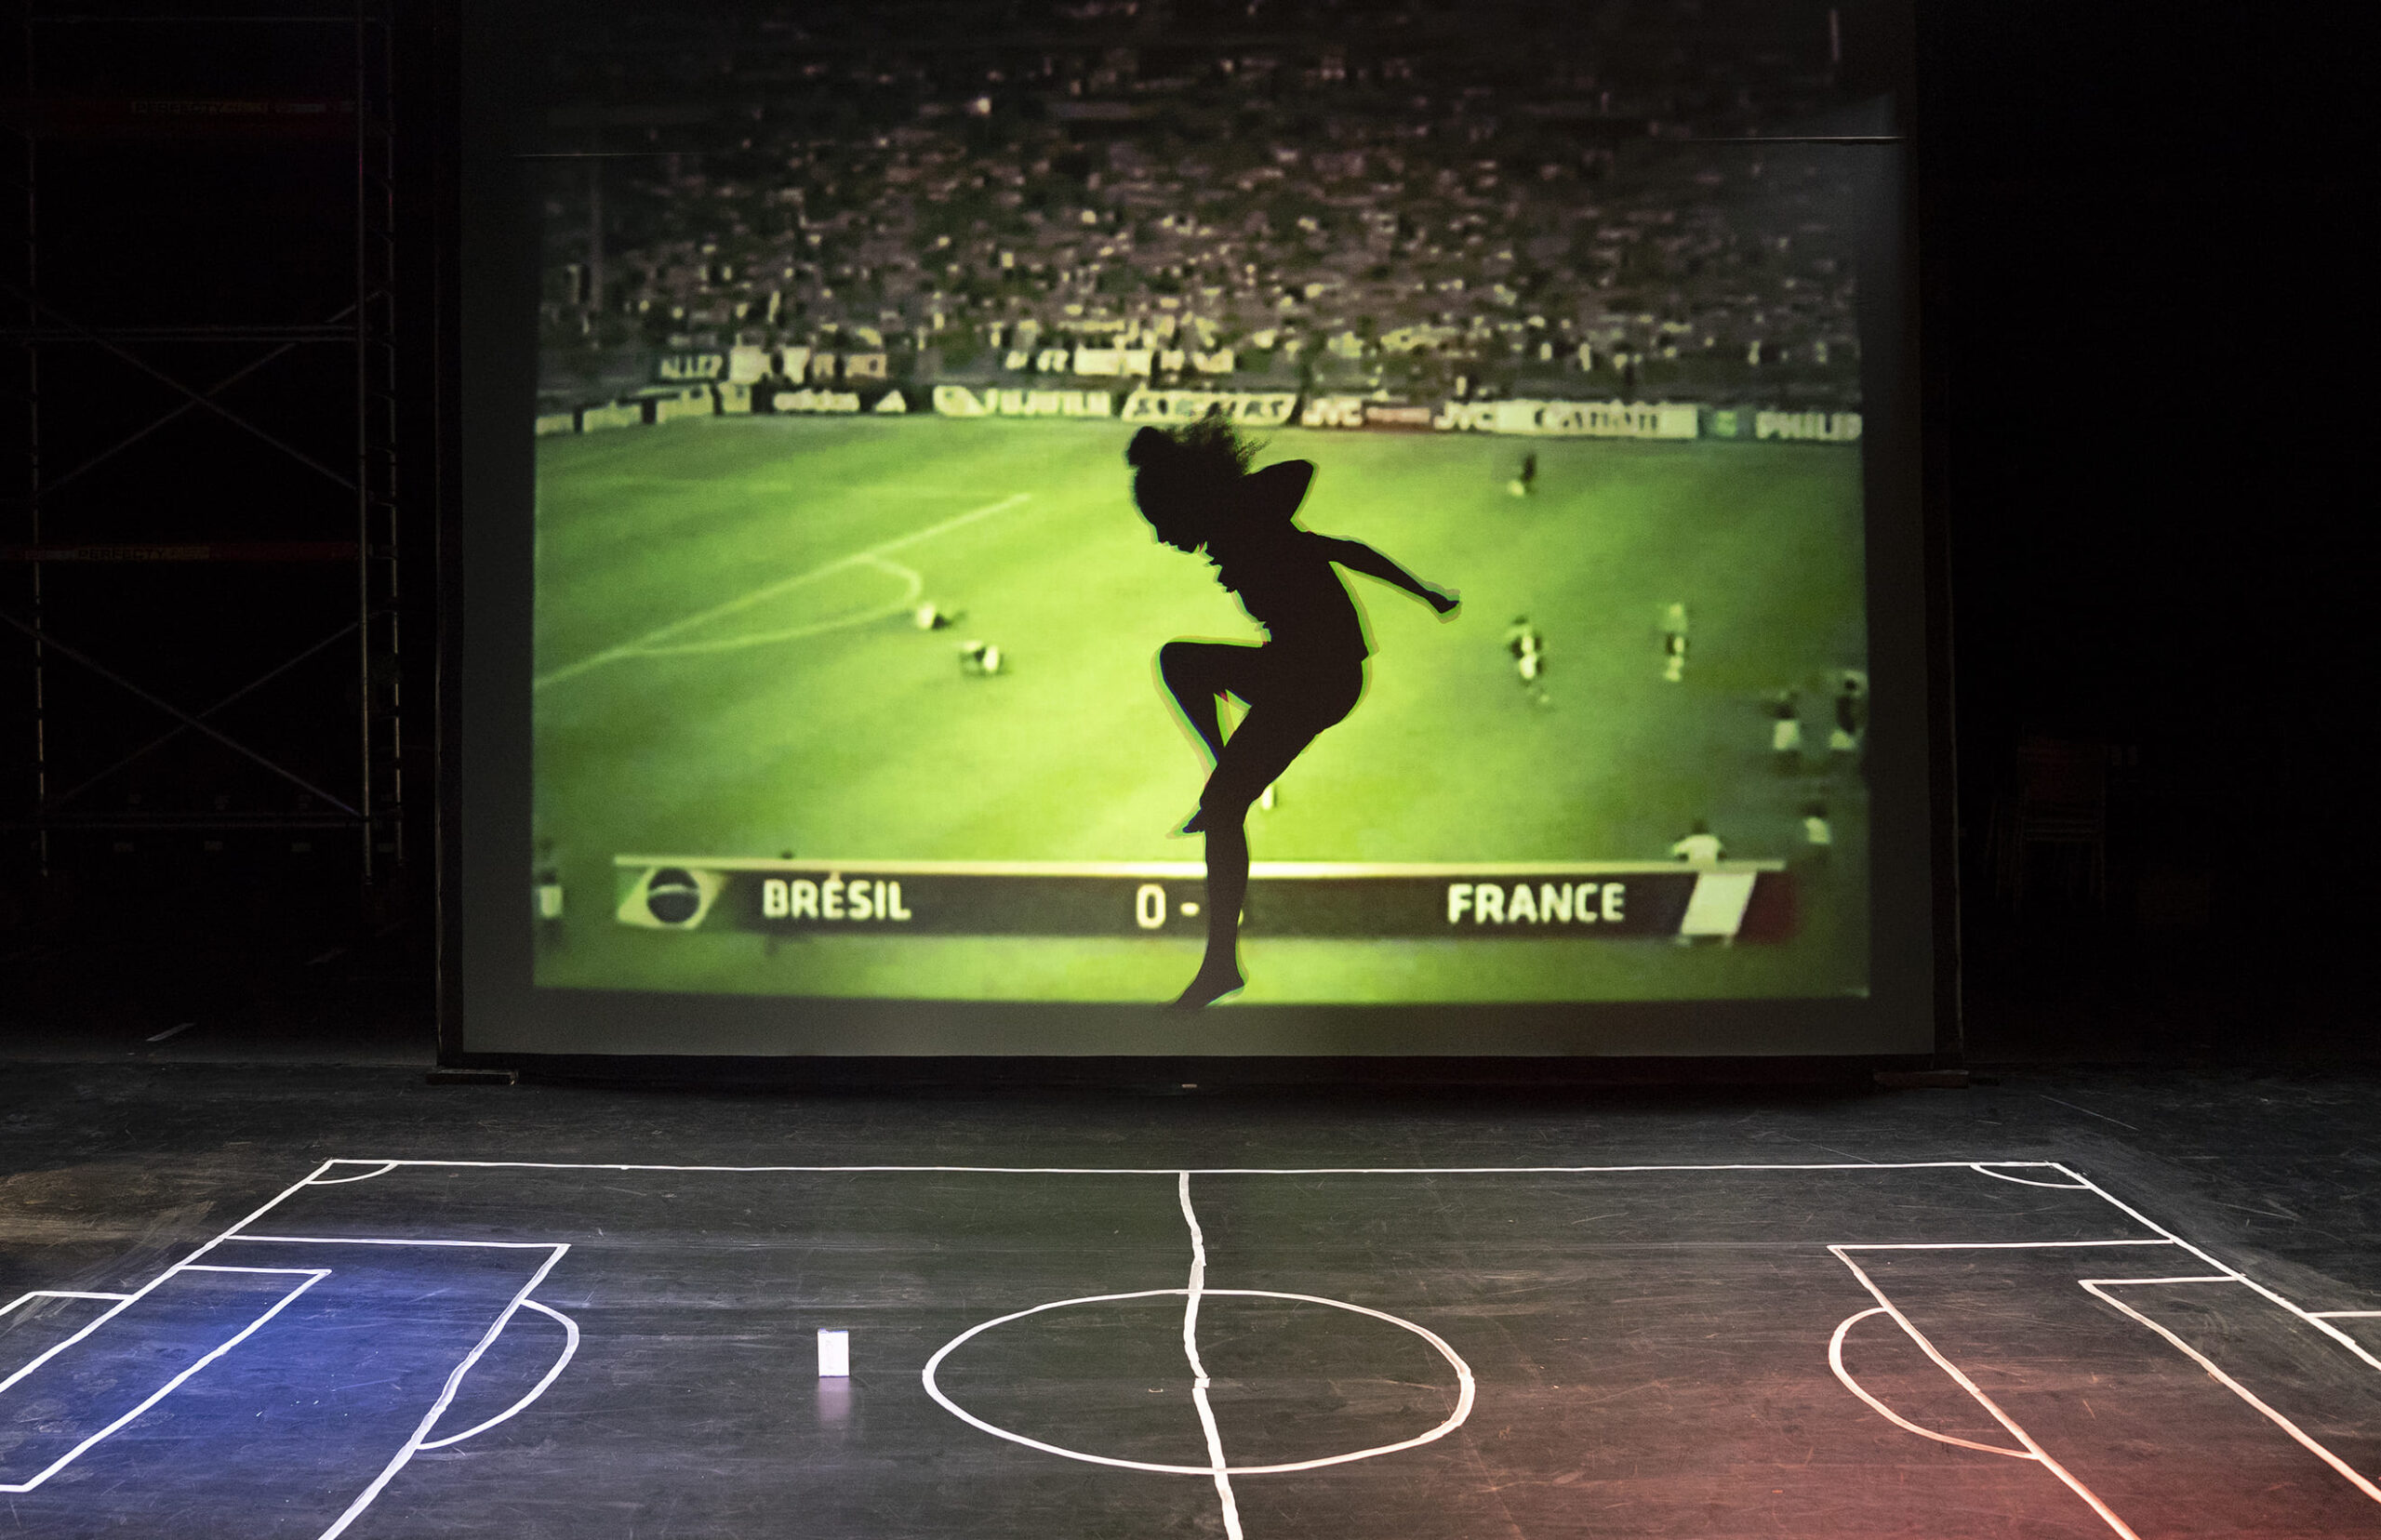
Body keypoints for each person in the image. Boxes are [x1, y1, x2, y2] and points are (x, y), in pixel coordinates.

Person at [1130, 415, 1458, 1008]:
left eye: (1159, 521)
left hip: (1317, 678)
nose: (1158, 536)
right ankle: (1223, 777)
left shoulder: (1251, 525)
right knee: (1182, 666)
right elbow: (1338, 547)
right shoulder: (1241, 530)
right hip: (1299, 671)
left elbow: (1309, 493)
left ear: (1184, 506)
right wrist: (1424, 593)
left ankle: (1220, 966)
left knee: (1220, 795)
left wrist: (1424, 593)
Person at [1504, 615, 1549, 705]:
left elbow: (1542, 646)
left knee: (1536, 678)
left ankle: (1541, 695)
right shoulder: (1516, 640)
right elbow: (1511, 649)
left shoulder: (1535, 636)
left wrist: (1539, 654)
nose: (1525, 629)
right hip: (1523, 660)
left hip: (1534, 658)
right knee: (1527, 677)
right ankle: (1533, 691)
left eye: (1526, 627)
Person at [1662, 602, 1688, 682]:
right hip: (1676, 642)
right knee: (1676, 633)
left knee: (1674, 633)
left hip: (1675, 642)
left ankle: (1675, 611)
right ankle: (1676, 611)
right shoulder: (1678, 662)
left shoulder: (1677, 662)